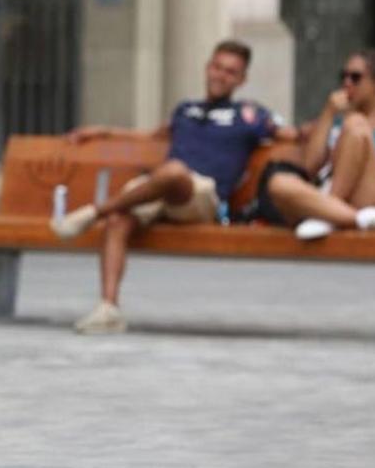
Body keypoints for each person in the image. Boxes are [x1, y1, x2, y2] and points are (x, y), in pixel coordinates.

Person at [51, 40, 294, 334]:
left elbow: (292, 136)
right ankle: (108, 308)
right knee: (120, 217)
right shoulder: (185, 110)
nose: (221, 75)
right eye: (217, 67)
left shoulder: (250, 115)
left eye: (230, 72)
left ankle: (92, 213)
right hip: (163, 188)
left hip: (202, 195)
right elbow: (151, 137)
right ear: (207, 68)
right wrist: (103, 130)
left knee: (175, 172)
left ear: (241, 80)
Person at [255, 49, 375, 239]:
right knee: (278, 183)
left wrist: (352, 163)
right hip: (335, 194)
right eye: (343, 76)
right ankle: (351, 218)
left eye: (355, 77)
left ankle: (329, 212)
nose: (347, 83)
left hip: (369, 193)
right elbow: (310, 166)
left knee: (356, 125)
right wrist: (328, 113)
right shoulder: (335, 121)